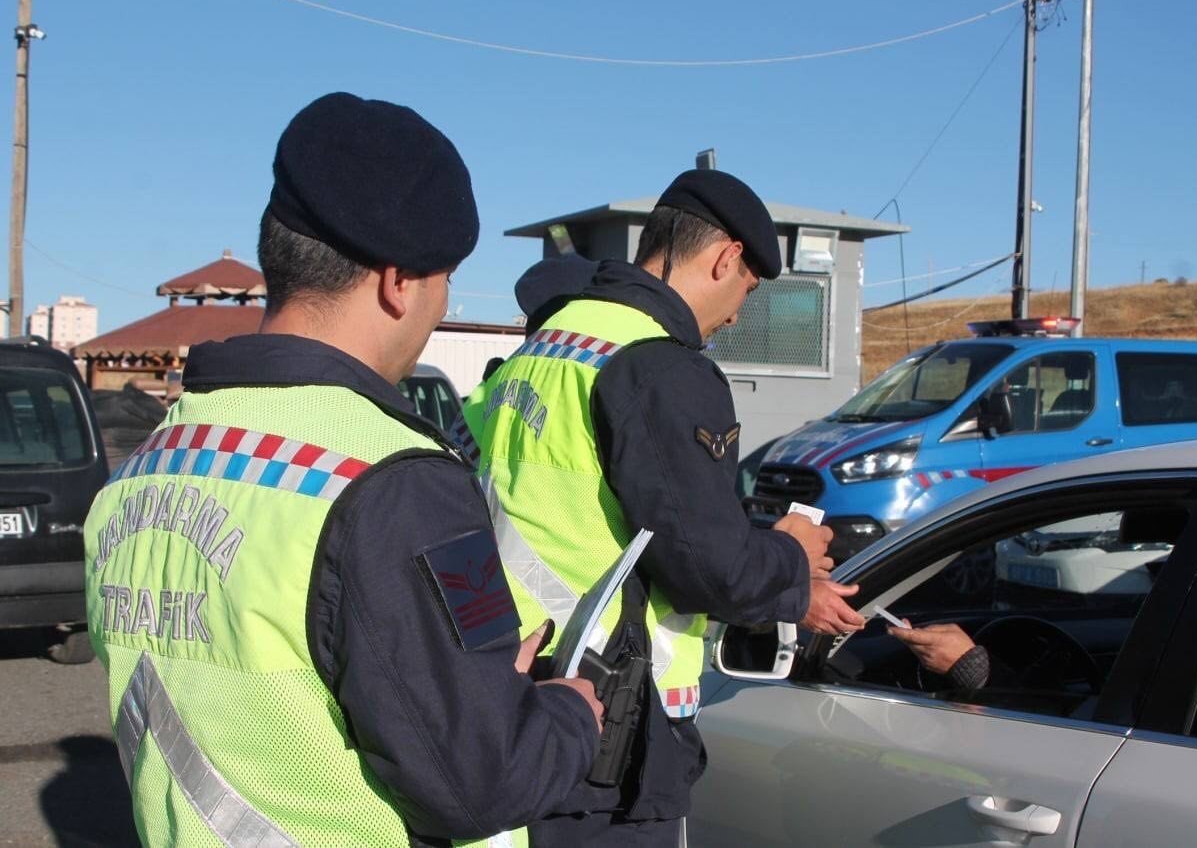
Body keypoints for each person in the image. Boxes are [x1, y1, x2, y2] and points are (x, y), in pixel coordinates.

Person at [84, 92, 602, 848]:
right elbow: (480, 780)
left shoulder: (144, 468)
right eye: (445, 280)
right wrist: (566, 713)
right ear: (399, 281)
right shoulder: (397, 480)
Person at [460, 169, 866, 846]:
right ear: (726, 258)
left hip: (512, 686)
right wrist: (791, 555)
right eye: (747, 290)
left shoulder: (555, 339)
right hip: (611, 731)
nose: (737, 314)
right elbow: (712, 566)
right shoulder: (661, 365)